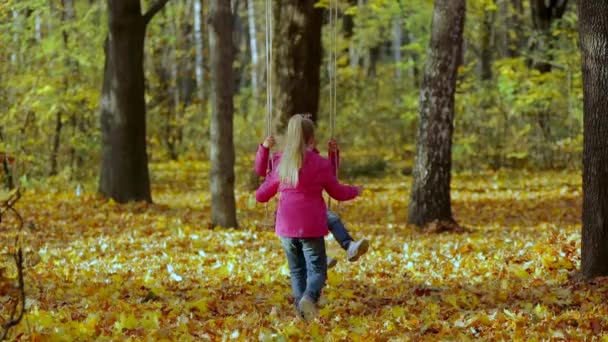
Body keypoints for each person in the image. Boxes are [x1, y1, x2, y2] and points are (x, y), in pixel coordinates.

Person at [255, 114, 362, 320]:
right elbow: (336, 189)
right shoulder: (319, 163)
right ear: (312, 138)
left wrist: (264, 151)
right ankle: (309, 299)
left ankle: (301, 313)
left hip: (286, 228)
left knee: (296, 271)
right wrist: (355, 190)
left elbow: (261, 195)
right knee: (317, 270)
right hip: (311, 226)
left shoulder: (280, 163)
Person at [254, 133, 369, 269]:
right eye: (308, 142)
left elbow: (330, 175)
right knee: (301, 235)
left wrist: (333, 155)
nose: (311, 145)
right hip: (290, 211)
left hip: (312, 210)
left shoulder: (316, 160)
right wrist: (265, 148)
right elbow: (261, 170)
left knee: (332, 219)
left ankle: (349, 246)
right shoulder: (281, 158)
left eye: (311, 142)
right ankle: (319, 258)